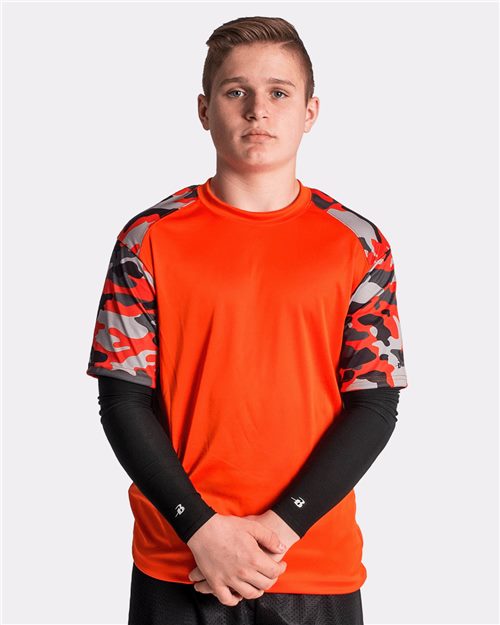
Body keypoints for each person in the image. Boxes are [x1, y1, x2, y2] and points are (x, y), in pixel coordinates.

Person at [86, 15, 408, 625]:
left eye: (279, 92)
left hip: (311, 565)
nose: (258, 109)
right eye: (237, 91)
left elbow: (374, 405)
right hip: (179, 562)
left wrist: (279, 529)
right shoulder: (147, 239)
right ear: (204, 110)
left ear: (309, 112)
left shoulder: (360, 244)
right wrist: (201, 529)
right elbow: (123, 401)